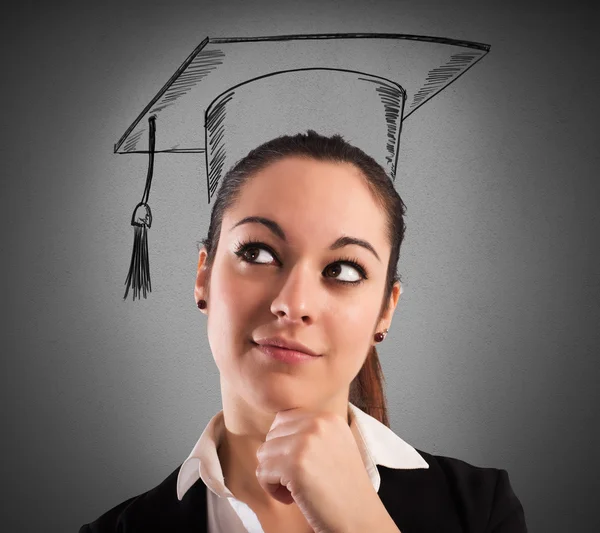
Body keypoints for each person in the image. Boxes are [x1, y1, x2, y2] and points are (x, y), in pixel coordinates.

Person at [79, 130, 528, 532]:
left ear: (384, 312)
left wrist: (360, 523)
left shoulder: (481, 511)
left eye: (344, 270)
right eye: (257, 253)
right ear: (204, 277)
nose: (293, 305)